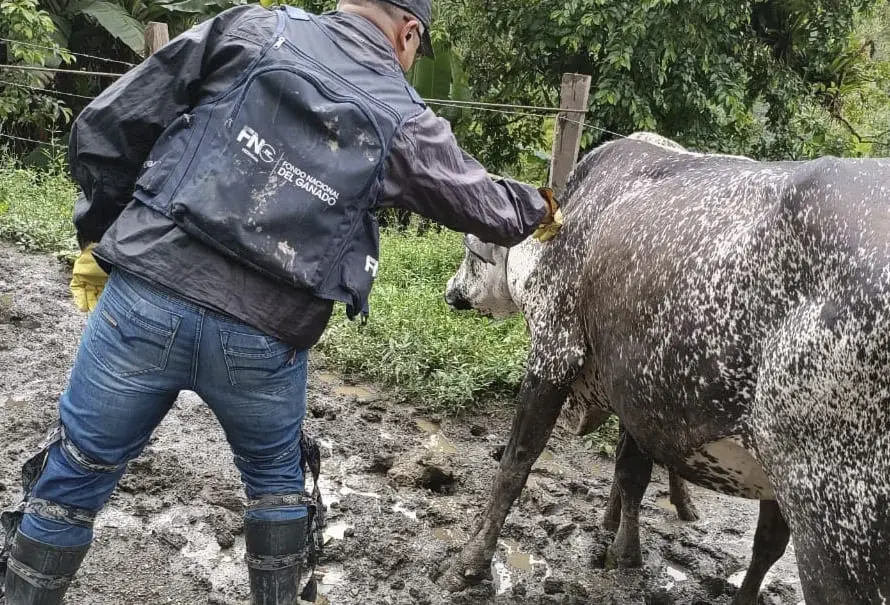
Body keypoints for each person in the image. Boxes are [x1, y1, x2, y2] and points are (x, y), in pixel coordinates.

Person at [0, 0, 561, 603]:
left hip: (145, 299)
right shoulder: (404, 117)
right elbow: (490, 209)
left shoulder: (253, 28)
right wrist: (549, 207)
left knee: (75, 474)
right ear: (409, 33)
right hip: (264, 339)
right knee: (276, 489)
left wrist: (98, 238)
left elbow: (110, 122)